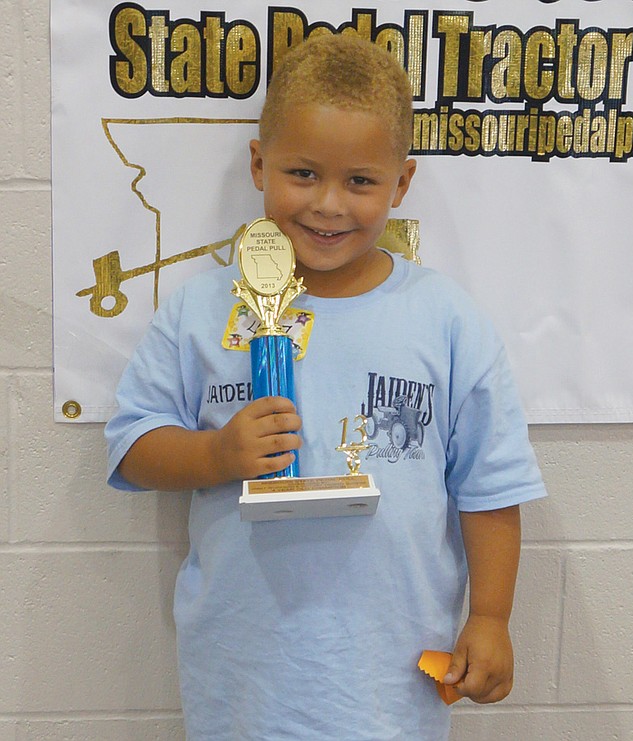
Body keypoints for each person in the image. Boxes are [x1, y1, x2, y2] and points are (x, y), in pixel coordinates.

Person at [106, 33, 546, 740]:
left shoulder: (447, 320)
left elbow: (490, 485)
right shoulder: (199, 308)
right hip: (242, 680)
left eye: (360, 181)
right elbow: (131, 445)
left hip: (391, 686)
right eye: (303, 173)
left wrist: (491, 615)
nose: (328, 205)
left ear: (401, 184)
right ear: (259, 163)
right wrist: (214, 456)